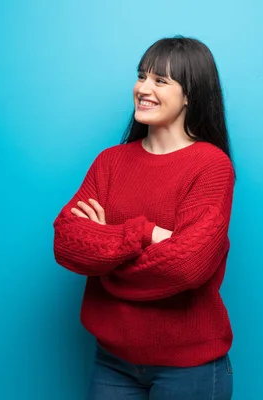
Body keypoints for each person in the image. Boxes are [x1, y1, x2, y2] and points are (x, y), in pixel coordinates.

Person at [53, 35, 236, 399]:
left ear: (190, 95)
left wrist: (107, 252)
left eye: (160, 81)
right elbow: (68, 244)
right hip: (112, 361)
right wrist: (147, 234)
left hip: (189, 369)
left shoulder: (212, 166)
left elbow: (188, 266)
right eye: (142, 76)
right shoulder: (110, 161)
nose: (143, 88)